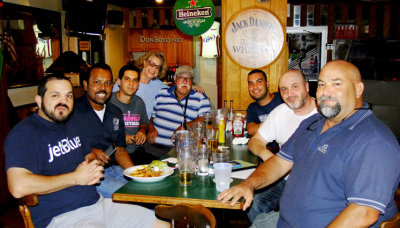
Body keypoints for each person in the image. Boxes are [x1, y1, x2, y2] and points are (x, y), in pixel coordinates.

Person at [218, 60, 400, 228]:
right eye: (321, 84)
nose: (326, 91)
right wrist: (249, 184)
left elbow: (364, 213)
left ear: (358, 89)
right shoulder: (312, 124)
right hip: (284, 221)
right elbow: (280, 162)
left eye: (336, 84)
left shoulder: (374, 140)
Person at [4, 74, 169, 228]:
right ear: (39, 100)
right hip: (63, 217)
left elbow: (88, 155)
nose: (63, 101)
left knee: (161, 224)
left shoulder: (72, 124)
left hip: (99, 205)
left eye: (68, 95)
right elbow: (18, 186)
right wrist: (75, 178)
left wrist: (93, 165)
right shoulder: (24, 134)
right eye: (55, 96)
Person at [246, 70, 318, 224]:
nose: (289, 93)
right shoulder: (279, 113)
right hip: (284, 179)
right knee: (254, 204)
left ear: (306, 86)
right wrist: (269, 157)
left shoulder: (323, 112)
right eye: (284, 89)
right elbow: (255, 141)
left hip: (314, 184)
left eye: (295, 87)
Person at [69, 63, 134, 198]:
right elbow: (65, 149)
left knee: (144, 190)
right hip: (89, 175)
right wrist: (89, 151)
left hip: (113, 169)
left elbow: (120, 150)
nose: (103, 88)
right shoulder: (72, 112)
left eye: (108, 83)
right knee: (129, 195)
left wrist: (136, 174)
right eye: (97, 82)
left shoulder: (115, 112)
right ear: (86, 85)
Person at [146, 65, 211, 158]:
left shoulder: (201, 98)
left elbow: (204, 120)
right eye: (181, 77)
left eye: (189, 78)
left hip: (178, 150)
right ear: (175, 79)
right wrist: (151, 127)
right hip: (152, 146)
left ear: (192, 81)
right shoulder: (162, 92)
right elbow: (152, 116)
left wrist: (185, 126)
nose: (185, 81)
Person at [110, 63, 152, 164]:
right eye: (127, 79)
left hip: (135, 153)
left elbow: (145, 123)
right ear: (119, 82)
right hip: (113, 156)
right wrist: (120, 139)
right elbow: (99, 131)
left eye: (135, 80)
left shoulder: (139, 102)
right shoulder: (108, 102)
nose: (131, 83)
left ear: (138, 85)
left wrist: (142, 131)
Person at [246, 69, 283, 136]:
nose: (254, 87)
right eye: (251, 83)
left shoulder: (282, 98)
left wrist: (261, 126)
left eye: (259, 82)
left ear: (267, 84)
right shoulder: (252, 108)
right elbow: (251, 130)